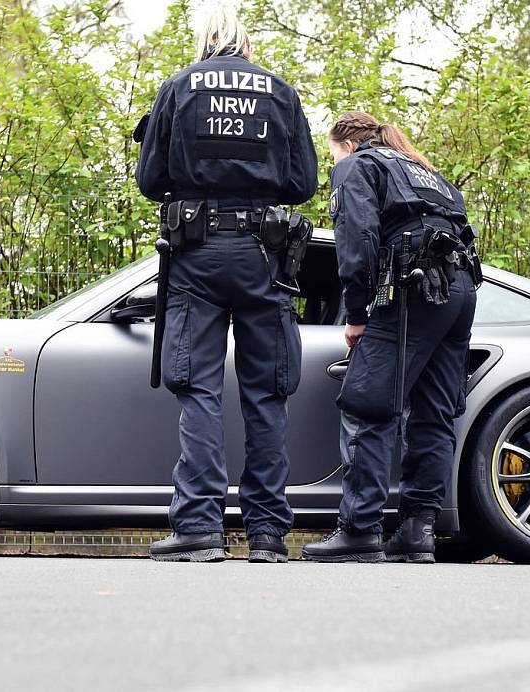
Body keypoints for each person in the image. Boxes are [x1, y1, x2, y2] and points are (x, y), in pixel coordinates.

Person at [135, 7, 318, 562]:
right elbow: (303, 183)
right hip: (265, 255)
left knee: (199, 390)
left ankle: (199, 528)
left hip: (198, 254)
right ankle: (267, 536)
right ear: (244, 40)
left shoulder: (179, 86)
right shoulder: (280, 91)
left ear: (205, 38)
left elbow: (150, 180)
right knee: (267, 395)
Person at [303, 112, 478, 563]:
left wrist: (357, 313)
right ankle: (417, 532)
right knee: (434, 414)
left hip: (409, 290)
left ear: (344, 143)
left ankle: (359, 530)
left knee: (368, 404)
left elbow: (357, 238)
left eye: (331, 154)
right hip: (457, 290)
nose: (332, 163)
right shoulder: (426, 172)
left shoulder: (358, 165)